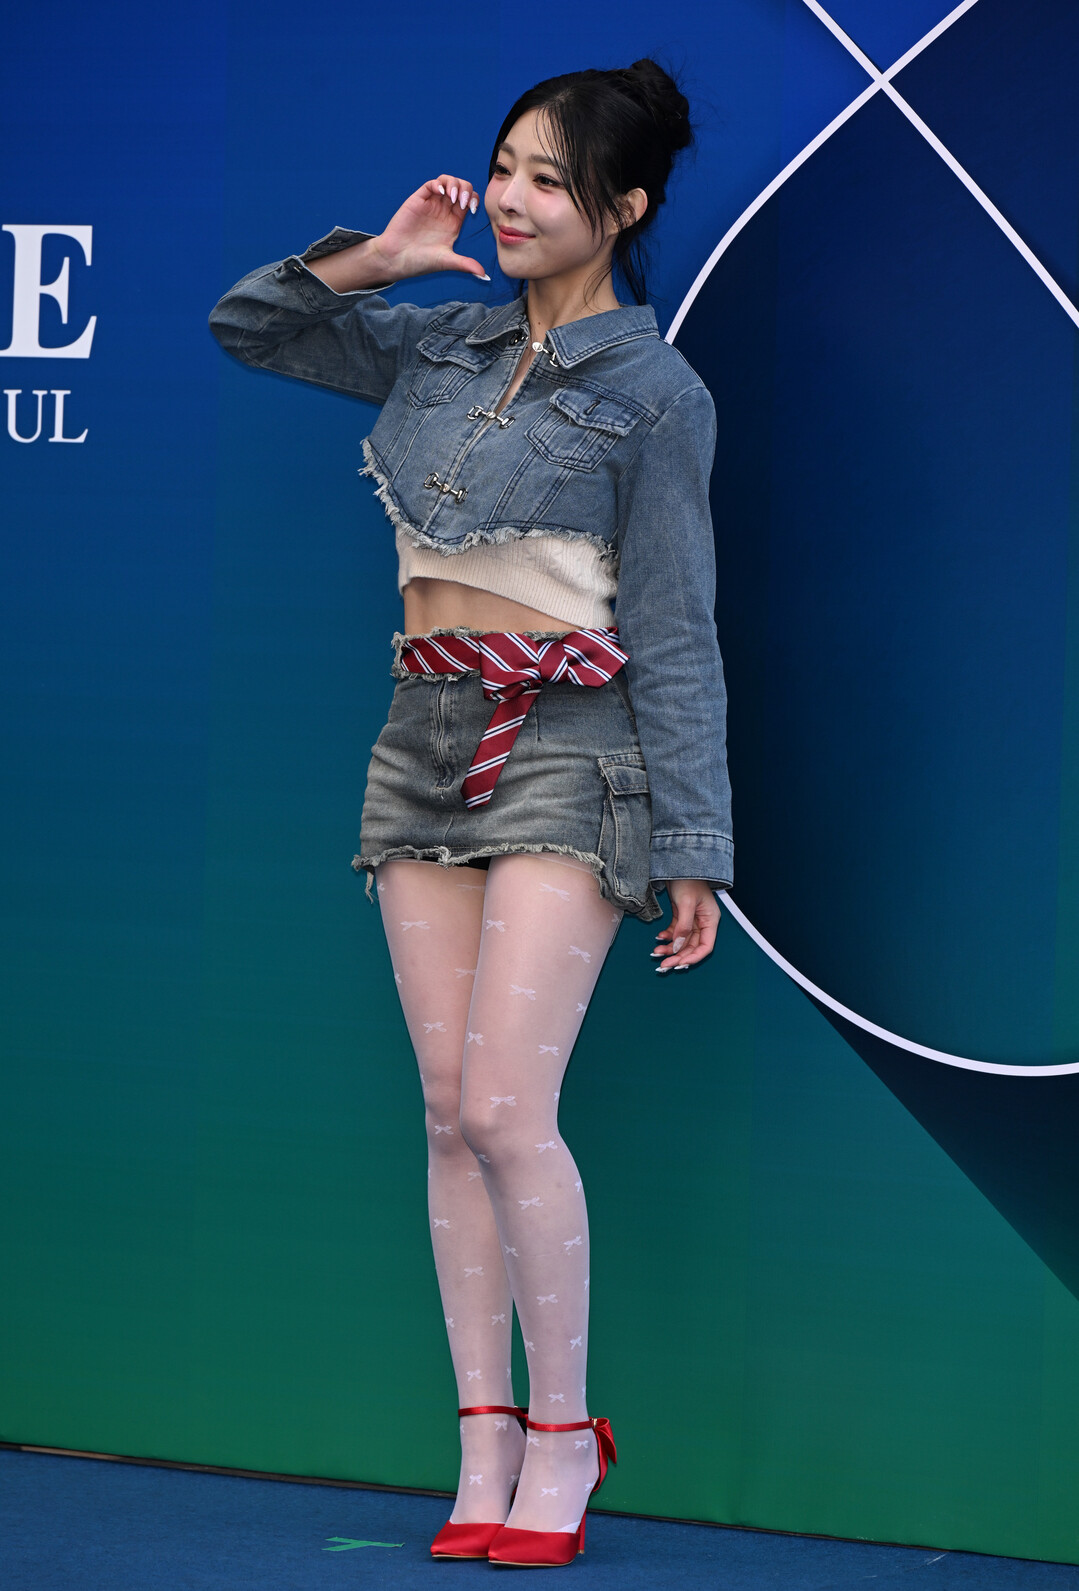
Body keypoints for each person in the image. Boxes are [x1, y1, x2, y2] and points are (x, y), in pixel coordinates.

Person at [208, 57, 733, 1569]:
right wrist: (378, 258)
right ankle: (483, 1439)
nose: (510, 199)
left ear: (623, 208)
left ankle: (566, 1435)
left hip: (573, 744)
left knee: (506, 1109)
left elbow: (677, 628)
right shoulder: (439, 342)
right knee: (446, 1112)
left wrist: (694, 843)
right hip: (420, 735)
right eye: (505, 165)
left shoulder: (657, 396)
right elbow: (251, 324)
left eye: (551, 180)